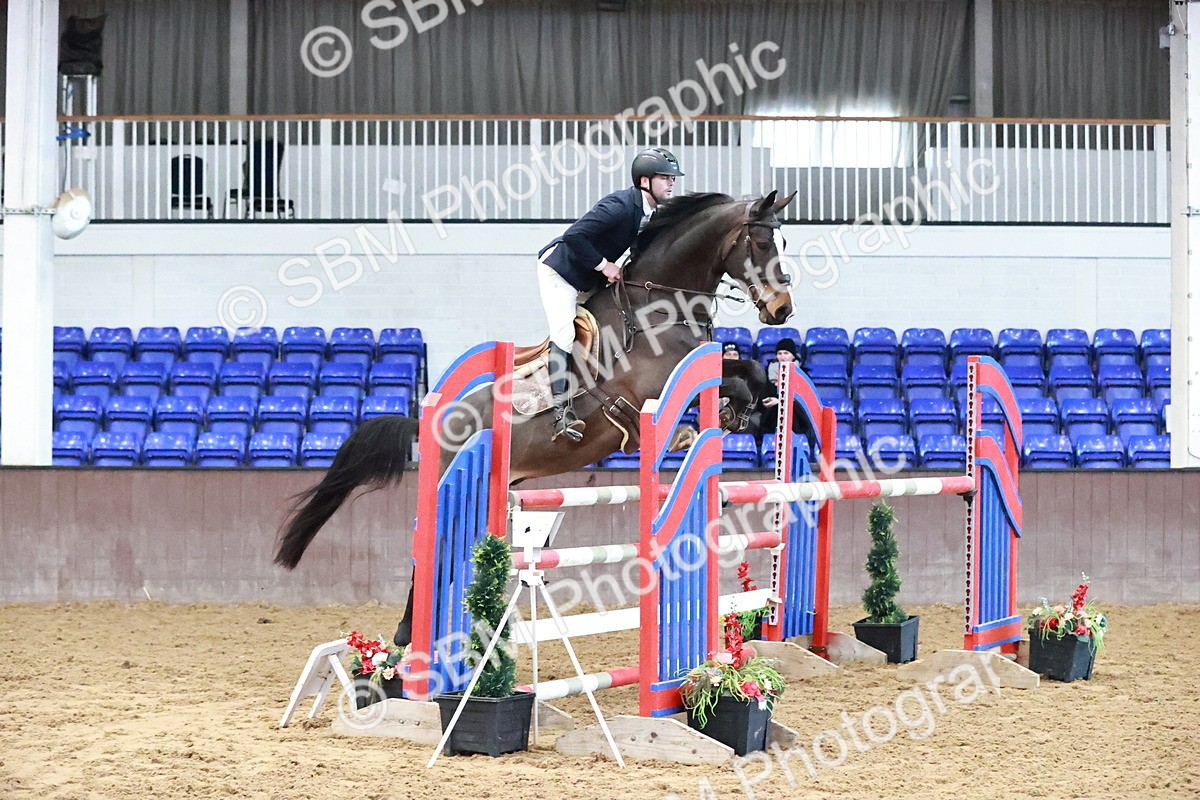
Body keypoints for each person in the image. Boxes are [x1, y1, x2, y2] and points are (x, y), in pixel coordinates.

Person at [535, 147, 685, 442]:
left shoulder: (652, 212)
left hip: (589, 276)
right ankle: (561, 413)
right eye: (665, 178)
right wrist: (605, 266)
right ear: (645, 182)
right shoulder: (618, 205)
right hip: (561, 273)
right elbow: (574, 236)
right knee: (565, 335)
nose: (671, 183)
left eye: (672, 179)